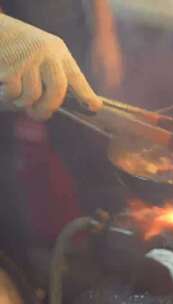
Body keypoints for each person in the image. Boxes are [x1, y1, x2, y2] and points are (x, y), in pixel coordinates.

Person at [0, 1, 123, 300]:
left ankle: (116, 256)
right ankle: (20, 273)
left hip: (55, 15)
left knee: (88, 141)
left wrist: (104, 31)